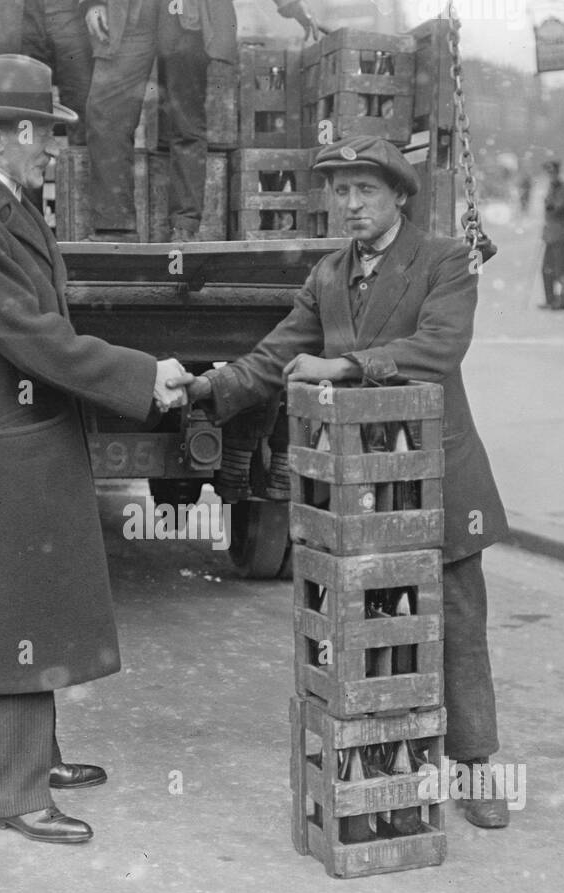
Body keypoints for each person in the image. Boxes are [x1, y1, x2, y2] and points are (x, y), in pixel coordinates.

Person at [175, 137, 513, 827]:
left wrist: (347, 366)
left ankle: (475, 766)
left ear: (399, 196)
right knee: (377, 621)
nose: (351, 204)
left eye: (366, 190)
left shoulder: (447, 260)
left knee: (455, 619)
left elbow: (439, 349)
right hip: (363, 484)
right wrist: (205, 386)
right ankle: (391, 762)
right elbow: (276, 356)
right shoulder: (329, 275)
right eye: (341, 191)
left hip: (437, 476)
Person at [0, 54, 192, 845]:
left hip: (15, 431)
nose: (53, 149)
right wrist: (142, 377)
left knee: (34, 595)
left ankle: (43, 755)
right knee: (14, 607)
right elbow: (35, 339)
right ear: (0, 136)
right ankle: (19, 793)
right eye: (43, 134)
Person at [82, 0, 316, 242]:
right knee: (105, 113)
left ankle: (184, 226)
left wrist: (292, 5)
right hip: (129, 10)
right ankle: (115, 227)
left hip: (188, 12)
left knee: (186, 122)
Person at [15, 0, 94, 144]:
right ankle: (26, 160)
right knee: (25, 99)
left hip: (69, 11)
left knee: (80, 97)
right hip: (22, 12)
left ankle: (80, 161)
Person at [540, 158, 564, 311]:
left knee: (561, 270)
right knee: (547, 269)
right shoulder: (552, 188)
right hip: (550, 235)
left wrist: (550, 200)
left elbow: (556, 209)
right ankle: (550, 299)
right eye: (548, 173)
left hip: (560, 235)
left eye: (552, 172)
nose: (550, 176)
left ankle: (562, 301)